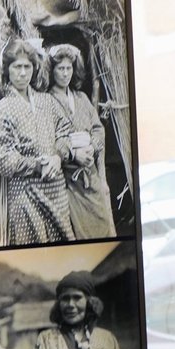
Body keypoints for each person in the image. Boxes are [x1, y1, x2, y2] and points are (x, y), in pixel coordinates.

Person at [0, 39, 75, 246]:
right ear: (7, 70)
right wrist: (36, 165)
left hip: (55, 188)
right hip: (25, 193)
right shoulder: (2, 108)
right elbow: (1, 158)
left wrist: (57, 157)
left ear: (34, 69)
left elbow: (65, 132)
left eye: (27, 66)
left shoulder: (47, 101)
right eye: (17, 67)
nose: (22, 73)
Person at [46, 44, 115, 239]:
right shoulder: (47, 101)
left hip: (90, 174)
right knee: (79, 231)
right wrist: (74, 154)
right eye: (61, 69)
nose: (66, 73)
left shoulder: (82, 98)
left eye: (69, 68)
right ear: (52, 71)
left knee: (101, 222)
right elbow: (49, 137)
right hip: (68, 177)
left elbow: (98, 128)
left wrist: (92, 147)